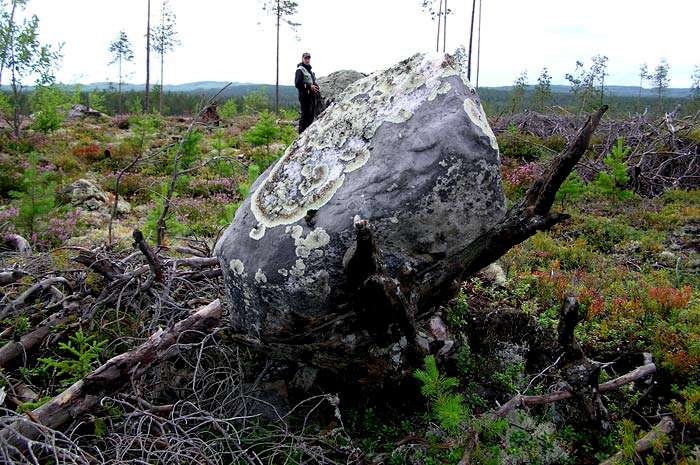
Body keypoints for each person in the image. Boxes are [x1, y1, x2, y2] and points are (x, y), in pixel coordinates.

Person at [295, 52, 320, 133]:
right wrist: (309, 87)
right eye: (305, 58)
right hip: (304, 97)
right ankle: (301, 135)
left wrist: (316, 86)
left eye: (308, 58)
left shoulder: (309, 70)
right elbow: (297, 84)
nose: (307, 59)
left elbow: (312, 82)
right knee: (304, 116)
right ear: (302, 59)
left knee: (310, 115)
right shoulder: (300, 70)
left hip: (311, 97)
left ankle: (307, 133)